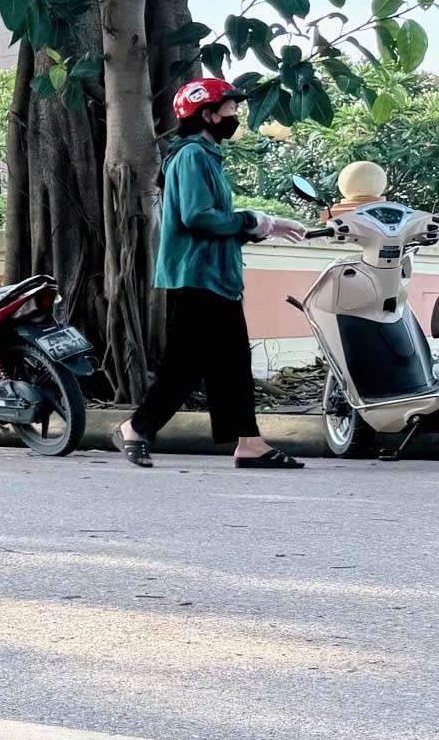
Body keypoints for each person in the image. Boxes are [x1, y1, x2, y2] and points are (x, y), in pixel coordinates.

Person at [115, 76, 309, 468]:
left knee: (232, 363)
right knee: (185, 366)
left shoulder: (205, 155)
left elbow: (218, 222)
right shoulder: (191, 156)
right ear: (207, 114)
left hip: (215, 277)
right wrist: (251, 219)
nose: (235, 115)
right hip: (195, 278)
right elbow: (198, 216)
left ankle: (249, 443)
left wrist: (263, 226)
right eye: (230, 108)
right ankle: (136, 429)